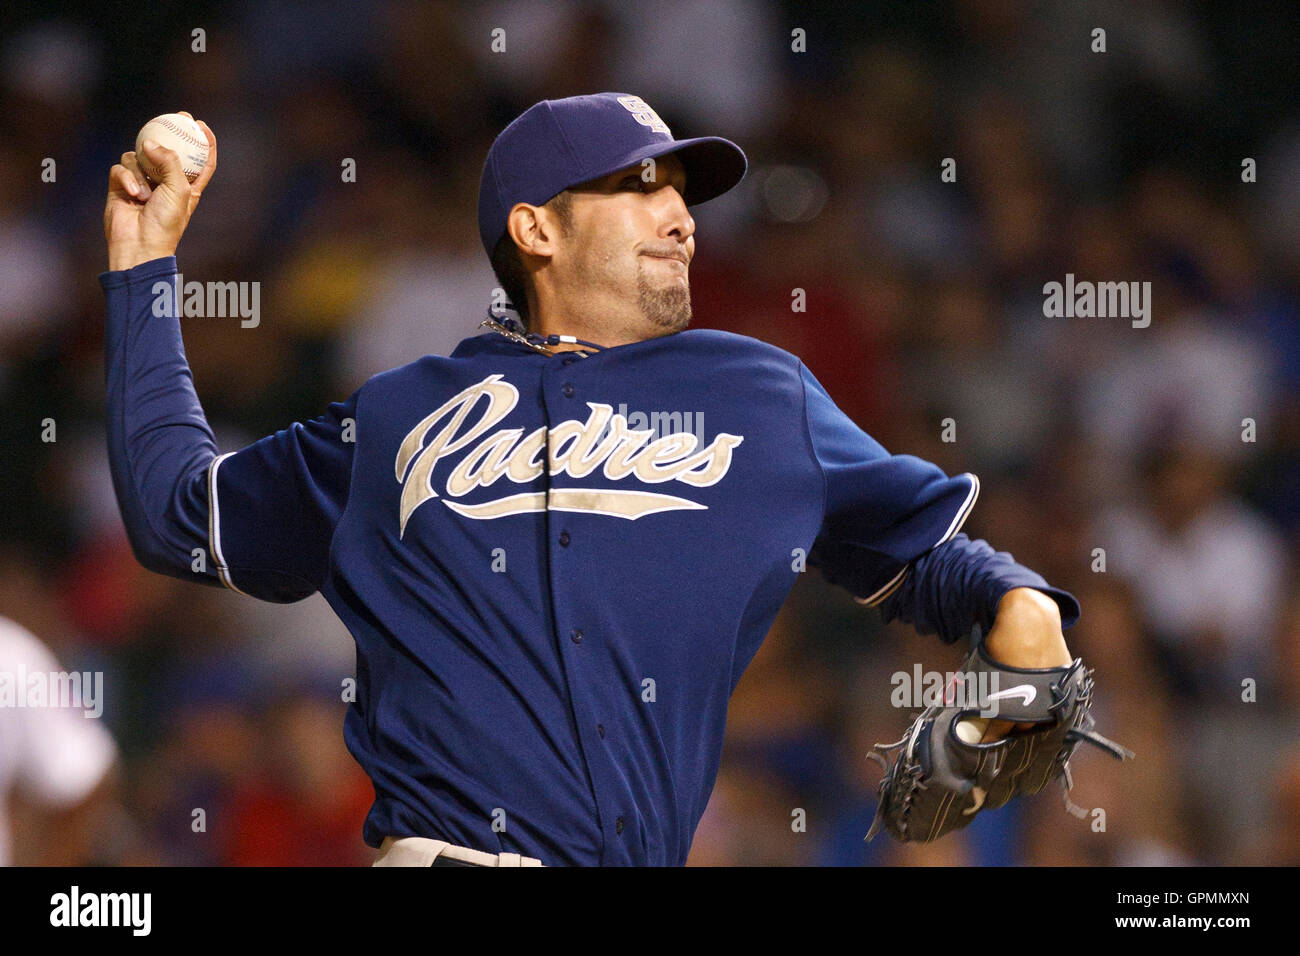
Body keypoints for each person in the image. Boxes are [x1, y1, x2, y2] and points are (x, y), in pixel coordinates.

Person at [102, 93, 1080, 866]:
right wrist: (145, 266)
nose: (681, 216)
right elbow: (179, 510)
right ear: (536, 228)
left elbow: (924, 555)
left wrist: (1023, 610)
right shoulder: (397, 414)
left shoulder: (758, 396)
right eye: (641, 186)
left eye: (682, 194)